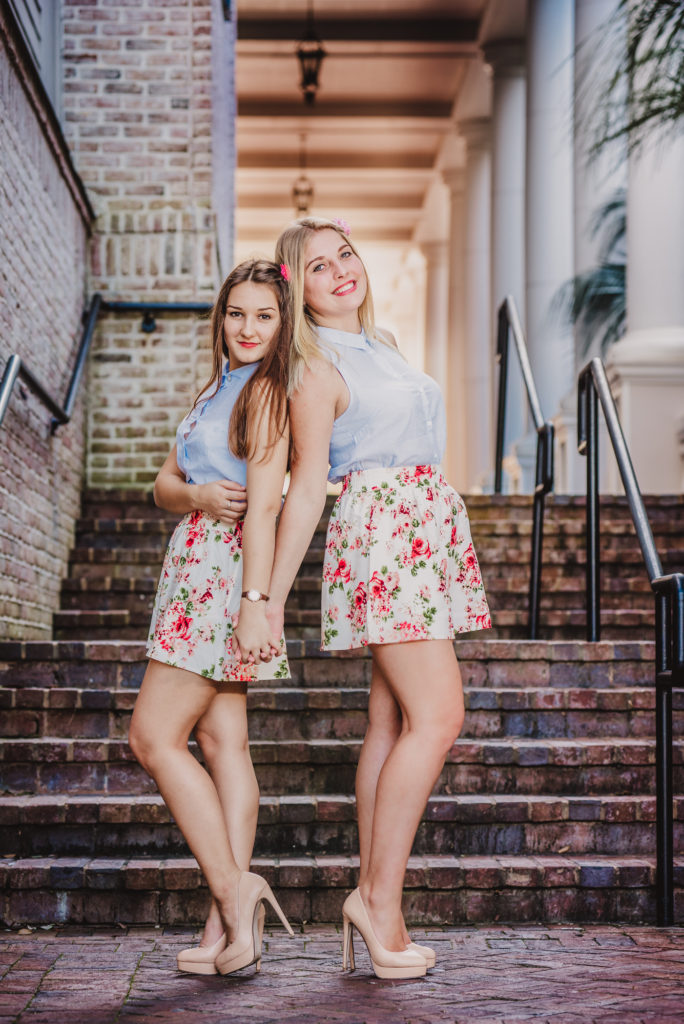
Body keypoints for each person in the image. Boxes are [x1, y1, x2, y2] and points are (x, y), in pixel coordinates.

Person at [263, 217, 491, 980]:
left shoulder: (380, 345)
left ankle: (373, 894)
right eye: (319, 267)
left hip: (422, 520)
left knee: (391, 719)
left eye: (346, 255)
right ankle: (378, 900)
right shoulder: (316, 365)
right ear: (299, 288)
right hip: (389, 533)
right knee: (441, 715)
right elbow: (304, 490)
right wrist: (264, 596)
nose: (341, 272)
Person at [128, 259, 294, 978]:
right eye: (236, 313)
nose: (248, 328)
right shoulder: (214, 390)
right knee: (224, 743)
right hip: (194, 563)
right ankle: (227, 928)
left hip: (223, 578)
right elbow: (163, 484)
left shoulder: (263, 394)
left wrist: (255, 605)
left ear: (283, 324)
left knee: (152, 736)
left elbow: (262, 509)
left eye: (264, 315)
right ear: (220, 319)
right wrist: (194, 497)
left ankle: (236, 892)